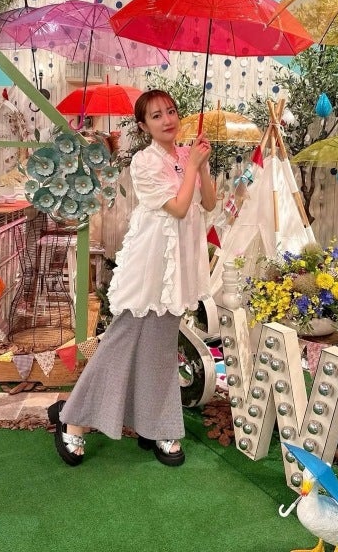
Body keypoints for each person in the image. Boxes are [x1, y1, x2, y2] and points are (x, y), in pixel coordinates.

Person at [47, 89, 216, 467]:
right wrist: (192, 167)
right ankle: (73, 418)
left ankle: (155, 424)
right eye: (156, 116)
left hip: (178, 267)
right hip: (150, 264)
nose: (167, 120)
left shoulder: (188, 155)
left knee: (161, 345)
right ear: (143, 126)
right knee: (121, 341)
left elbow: (208, 203)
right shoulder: (144, 162)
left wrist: (202, 166)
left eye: (171, 111)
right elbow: (178, 207)